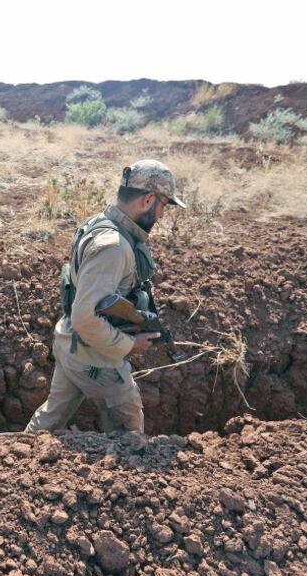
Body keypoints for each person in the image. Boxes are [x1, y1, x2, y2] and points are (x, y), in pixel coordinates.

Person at [25, 159, 186, 439]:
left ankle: (16, 457)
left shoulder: (100, 223)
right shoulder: (113, 246)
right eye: (163, 206)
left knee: (50, 419)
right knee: (130, 431)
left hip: (71, 344)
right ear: (148, 199)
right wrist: (128, 344)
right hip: (94, 357)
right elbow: (86, 316)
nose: (161, 215)